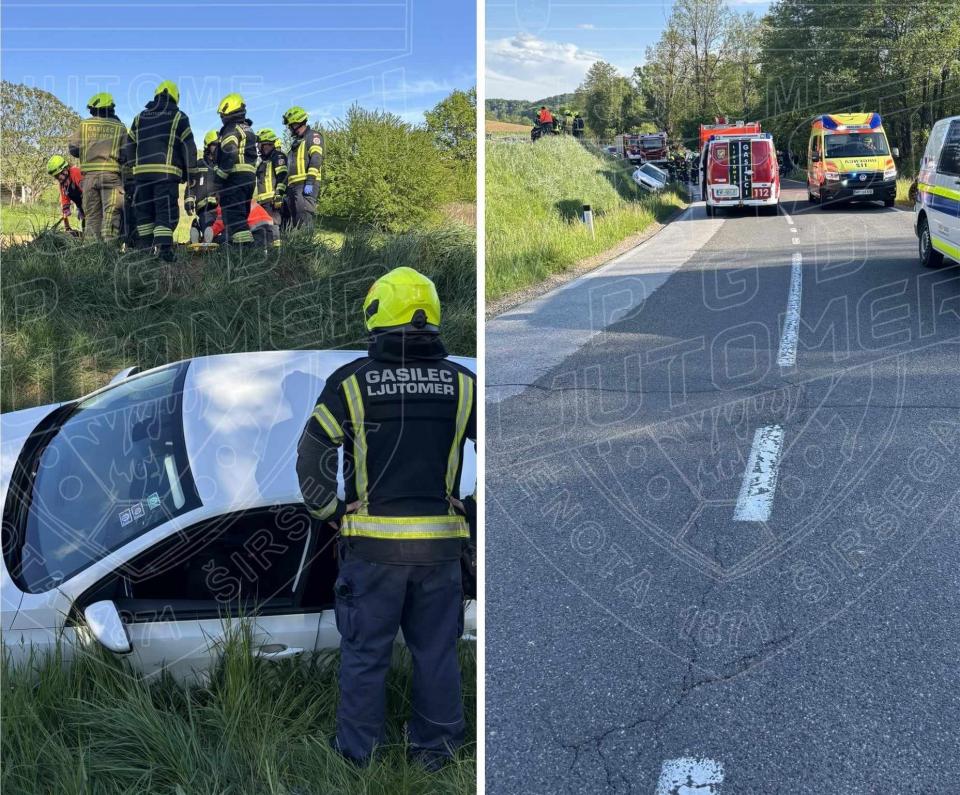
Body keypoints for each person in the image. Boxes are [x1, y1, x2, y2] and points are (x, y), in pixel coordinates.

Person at [296, 266, 475, 771]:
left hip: (372, 552)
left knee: (365, 655)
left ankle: (358, 758)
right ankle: (436, 755)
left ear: (377, 317)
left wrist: (331, 511)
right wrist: (475, 506)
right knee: (436, 654)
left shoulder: (351, 383)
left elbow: (311, 457)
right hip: (441, 551)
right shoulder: (463, 384)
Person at [130, 80, 197, 261]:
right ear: (175, 97)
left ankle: (144, 251)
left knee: (144, 213)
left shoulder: (139, 117)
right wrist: (190, 172)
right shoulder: (179, 117)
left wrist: (132, 167)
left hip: (141, 176)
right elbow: (188, 147)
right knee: (164, 212)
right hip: (165, 176)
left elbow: (129, 144)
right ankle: (164, 252)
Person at [68, 92, 131, 241]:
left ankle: (92, 251)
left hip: (89, 179)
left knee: (92, 217)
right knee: (111, 215)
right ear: (111, 108)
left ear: (94, 109)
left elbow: (73, 149)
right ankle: (110, 249)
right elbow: (126, 154)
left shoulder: (84, 125)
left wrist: (88, 152)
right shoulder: (120, 127)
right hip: (111, 177)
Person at [213, 93, 257, 247]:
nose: (222, 118)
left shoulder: (231, 128)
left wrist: (218, 180)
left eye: (222, 115)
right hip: (248, 180)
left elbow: (230, 153)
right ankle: (240, 248)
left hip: (234, 179)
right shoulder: (248, 129)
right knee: (241, 216)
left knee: (234, 218)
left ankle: (244, 251)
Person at [282, 106, 323, 229]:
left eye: (290, 125)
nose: (289, 128)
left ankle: (307, 242)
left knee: (304, 218)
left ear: (297, 123)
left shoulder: (313, 136)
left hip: (305, 184)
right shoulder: (296, 143)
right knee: (294, 221)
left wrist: (310, 182)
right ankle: (297, 241)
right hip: (293, 186)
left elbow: (316, 158)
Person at [255, 128, 288, 240]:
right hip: (263, 202)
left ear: (266, 144)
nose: (258, 147)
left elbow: (283, 176)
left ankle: (277, 248)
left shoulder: (278, 157)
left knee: (274, 225)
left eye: (259, 144)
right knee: (265, 228)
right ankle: (270, 247)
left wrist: (278, 194)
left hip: (273, 201)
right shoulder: (263, 161)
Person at [189, 131, 220, 242]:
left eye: (219, 145)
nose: (217, 148)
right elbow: (191, 185)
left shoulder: (222, 165)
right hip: (204, 209)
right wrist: (189, 199)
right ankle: (198, 230)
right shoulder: (199, 165)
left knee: (222, 233)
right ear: (207, 146)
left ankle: (198, 232)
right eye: (215, 145)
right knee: (210, 232)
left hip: (221, 208)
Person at [210, 200, 277, 248]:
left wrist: (209, 236)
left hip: (257, 232)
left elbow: (220, 224)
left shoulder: (225, 202)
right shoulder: (243, 198)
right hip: (272, 231)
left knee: (223, 240)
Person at [47, 155, 84, 233]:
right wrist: (67, 227)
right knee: (85, 228)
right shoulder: (63, 184)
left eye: (58, 175)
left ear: (64, 169)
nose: (58, 178)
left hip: (92, 204)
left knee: (93, 227)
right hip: (82, 207)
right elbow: (65, 203)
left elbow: (87, 191)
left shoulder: (75, 172)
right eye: (55, 177)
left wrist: (84, 209)